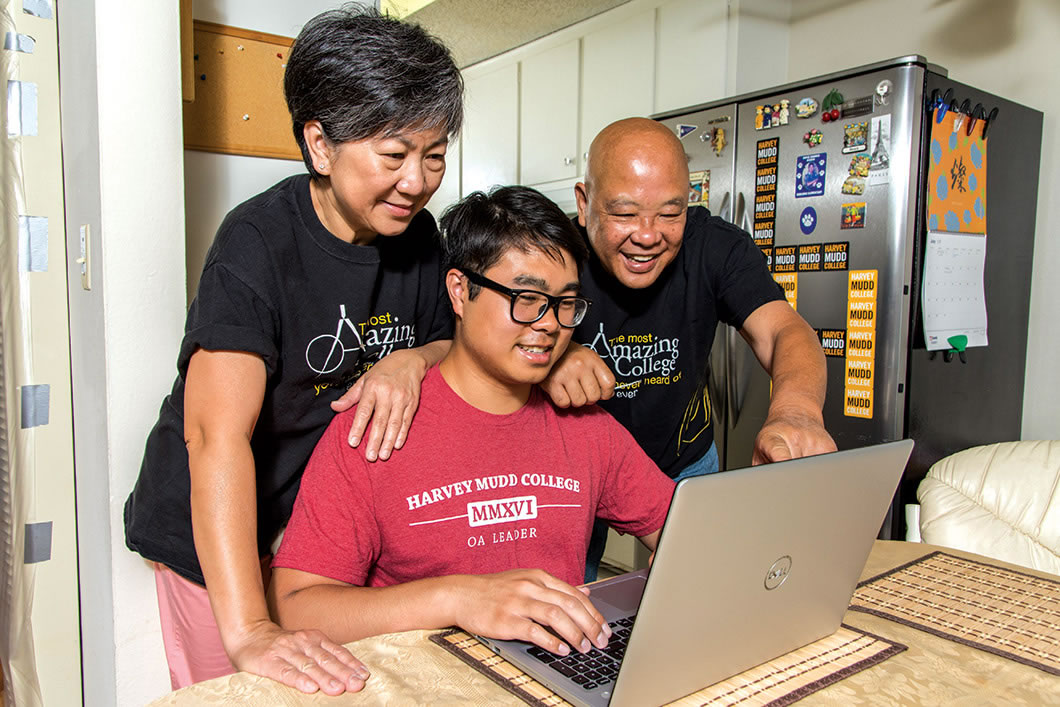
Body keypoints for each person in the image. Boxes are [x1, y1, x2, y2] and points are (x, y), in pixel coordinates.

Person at [123, 7, 463, 694]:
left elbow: (447, 341)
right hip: (212, 532)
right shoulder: (256, 244)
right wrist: (250, 628)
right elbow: (215, 435)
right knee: (248, 691)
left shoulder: (419, 237)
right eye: (394, 155)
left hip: (306, 533)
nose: (418, 180)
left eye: (435, 154)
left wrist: (409, 360)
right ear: (320, 144)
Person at [267, 186, 674, 656]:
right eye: (526, 297)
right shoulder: (378, 425)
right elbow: (297, 607)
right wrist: (456, 597)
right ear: (460, 291)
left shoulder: (588, 428)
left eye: (566, 303)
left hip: (559, 672)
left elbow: (687, 539)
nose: (549, 324)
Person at [539, 118, 838, 580]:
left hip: (684, 461)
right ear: (584, 203)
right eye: (623, 213)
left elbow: (784, 330)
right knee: (558, 614)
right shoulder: (547, 249)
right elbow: (481, 342)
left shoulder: (715, 247)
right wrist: (551, 354)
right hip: (571, 468)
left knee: (704, 591)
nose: (647, 235)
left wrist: (797, 410)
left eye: (669, 213)